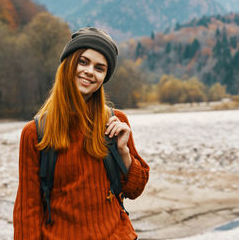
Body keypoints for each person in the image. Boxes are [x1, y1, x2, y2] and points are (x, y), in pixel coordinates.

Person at [13, 27, 150, 239]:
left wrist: (123, 151)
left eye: (99, 68)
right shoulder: (34, 133)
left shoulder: (116, 122)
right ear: (68, 64)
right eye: (83, 61)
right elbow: (27, 209)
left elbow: (135, 189)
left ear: (104, 77)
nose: (89, 71)